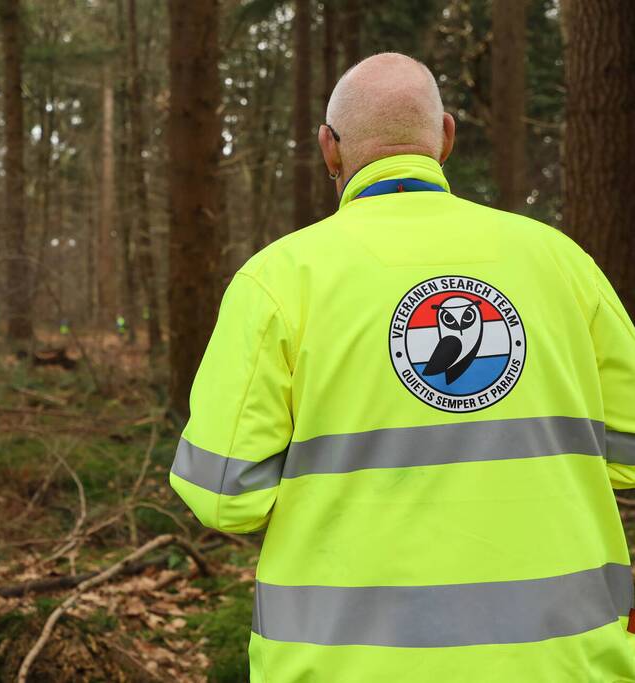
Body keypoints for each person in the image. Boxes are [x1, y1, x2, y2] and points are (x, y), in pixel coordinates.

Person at [170, 53, 635, 682]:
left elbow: (224, 497)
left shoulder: (280, 280)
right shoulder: (561, 264)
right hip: (566, 661)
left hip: (346, 666)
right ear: (445, 136)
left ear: (329, 150)